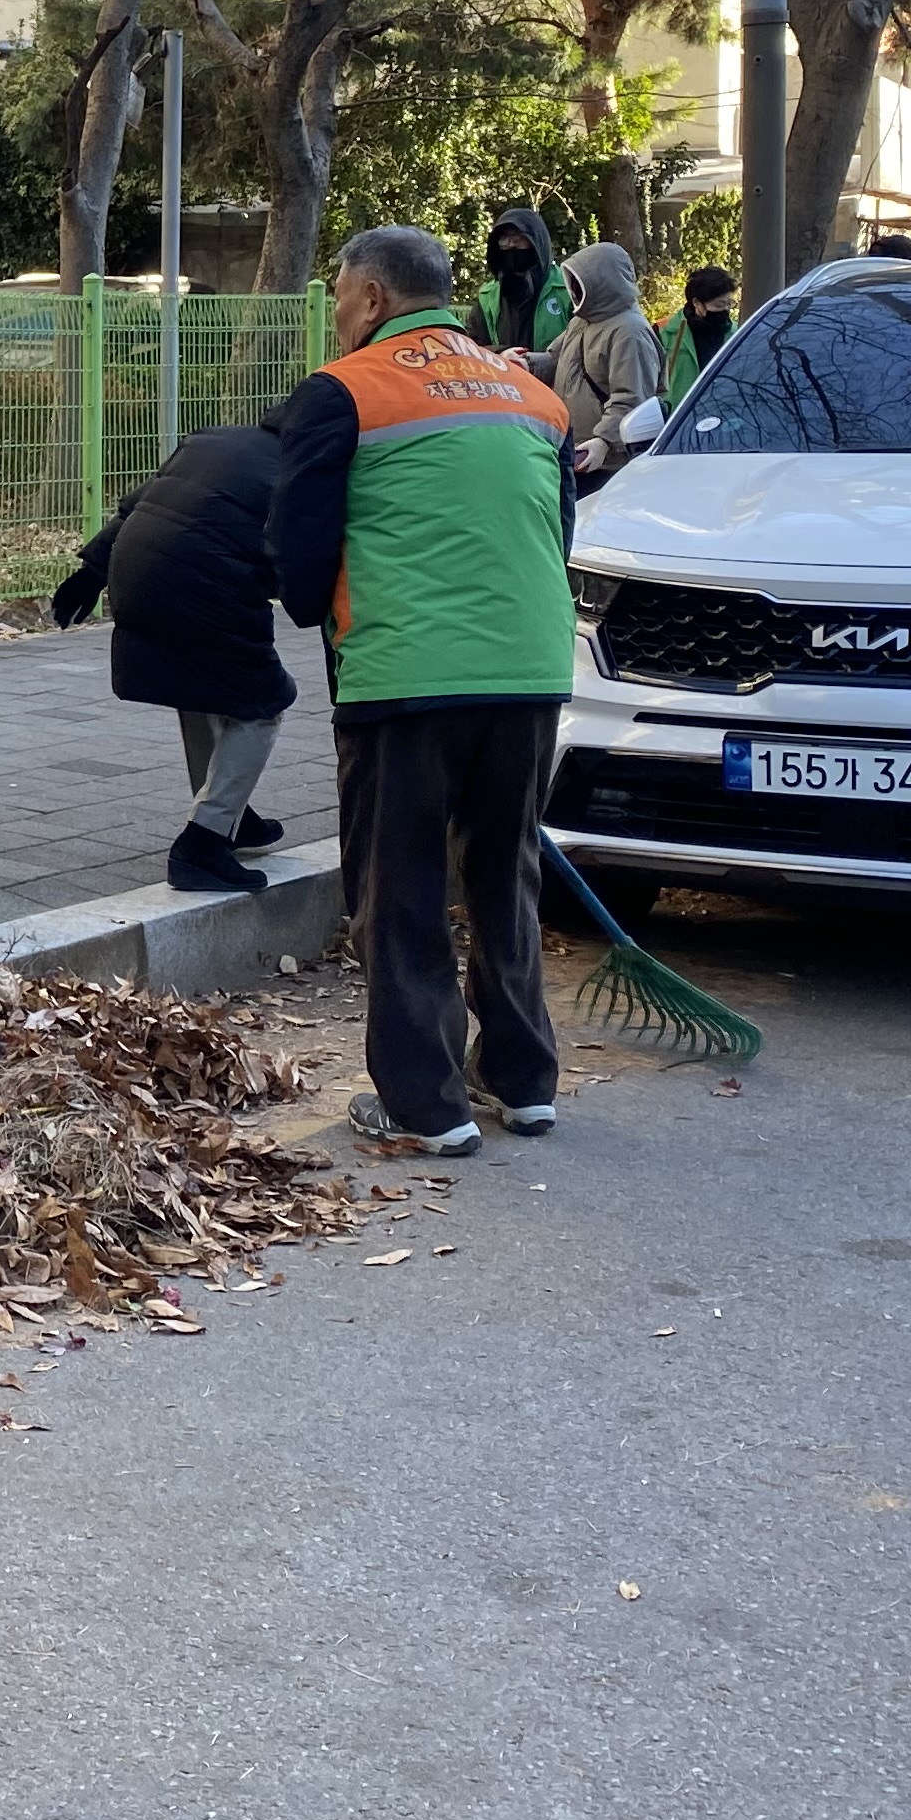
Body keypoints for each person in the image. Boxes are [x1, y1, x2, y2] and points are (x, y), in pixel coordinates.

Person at [267, 222, 573, 1156]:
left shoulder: (343, 392)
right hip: (529, 674)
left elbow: (299, 554)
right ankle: (522, 1082)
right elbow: (553, 530)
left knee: (398, 893)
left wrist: (326, 620)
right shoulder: (531, 393)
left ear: (370, 298)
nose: (333, 313)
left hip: (407, 679)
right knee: (503, 877)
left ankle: (424, 1104)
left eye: (336, 295)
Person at [48, 424, 293, 895]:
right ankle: (203, 843)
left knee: (197, 686)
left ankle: (228, 817)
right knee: (263, 705)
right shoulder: (307, 466)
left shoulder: (213, 440)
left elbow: (141, 504)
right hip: (206, 586)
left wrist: (91, 570)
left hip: (137, 570)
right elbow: (306, 550)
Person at [546, 242, 661, 488]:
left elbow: (633, 398)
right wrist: (523, 364)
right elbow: (557, 359)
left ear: (602, 282)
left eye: (580, 281)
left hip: (609, 465)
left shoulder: (629, 332)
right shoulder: (582, 321)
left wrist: (604, 441)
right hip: (575, 452)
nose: (574, 289)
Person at [467, 205, 569, 358]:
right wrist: (501, 354)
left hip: (556, 380)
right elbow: (471, 345)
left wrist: (539, 363)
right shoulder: (488, 297)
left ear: (536, 240)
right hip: (506, 378)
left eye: (519, 238)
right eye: (505, 239)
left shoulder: (567, 288)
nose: (512, 244)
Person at [660, 264, 738, 399]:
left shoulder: (737, 334)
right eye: (719, 305)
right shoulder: (666, 333)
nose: (726, 310)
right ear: (696, 302)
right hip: (679, 417)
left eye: (730, 304)